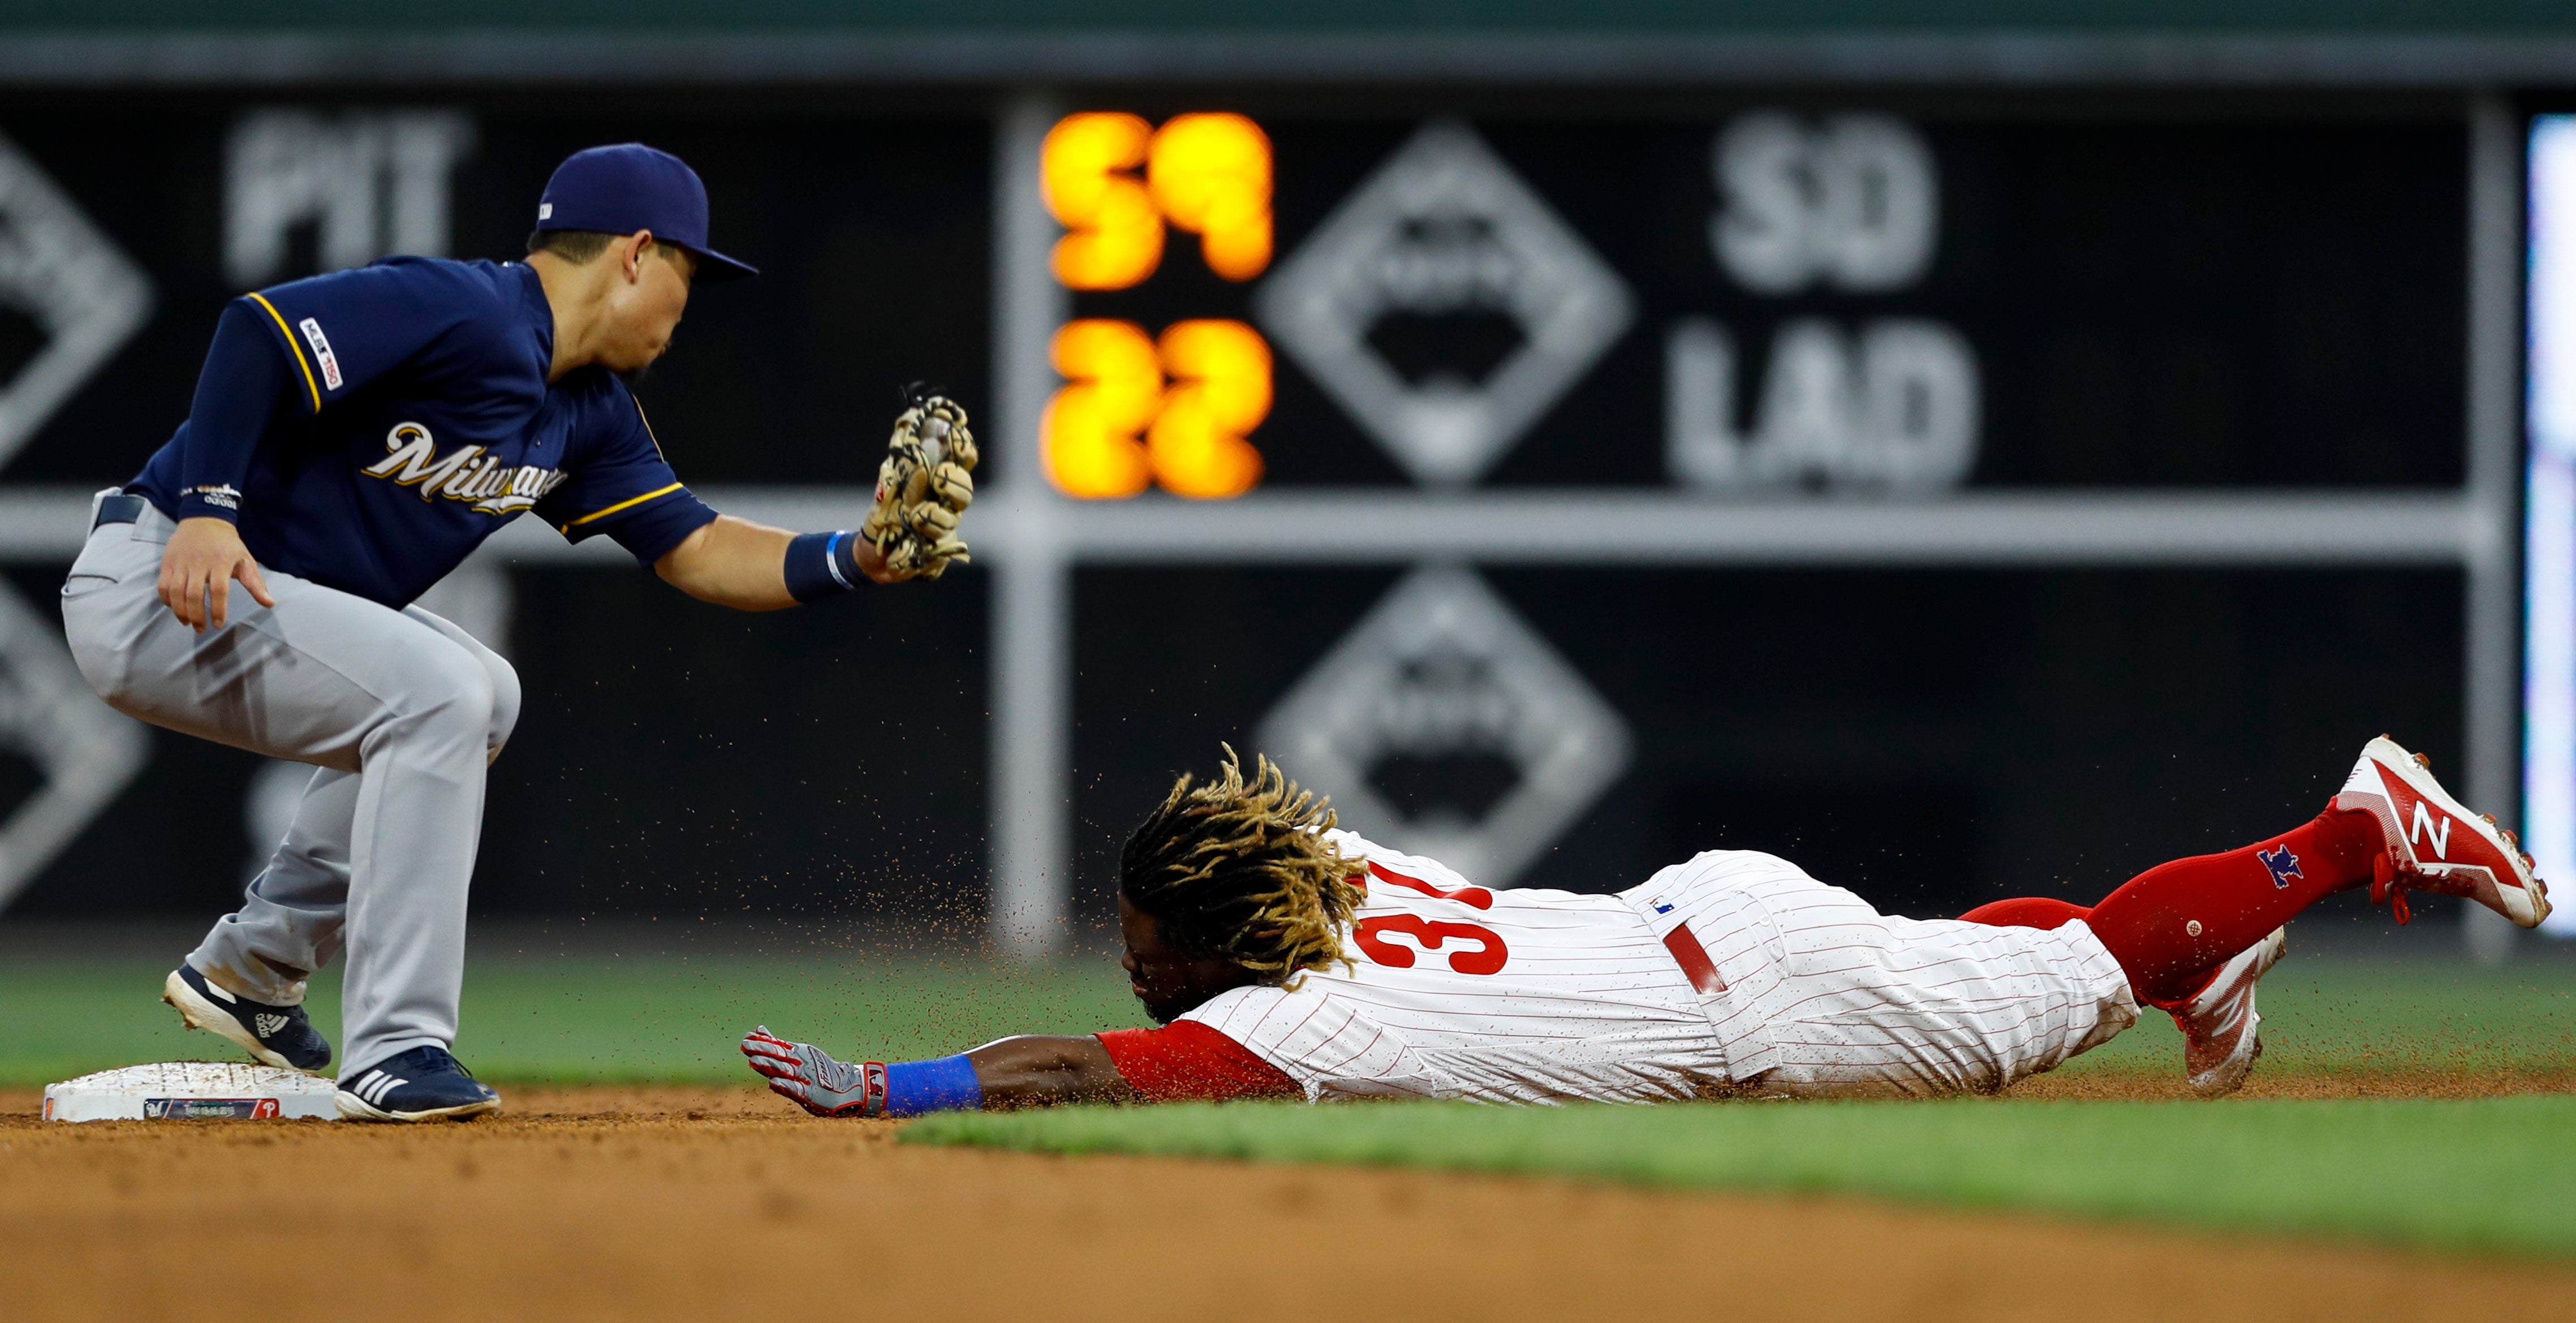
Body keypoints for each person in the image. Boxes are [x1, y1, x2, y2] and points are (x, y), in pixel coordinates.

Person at [62, 144, 966, 1123]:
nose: (684, 305)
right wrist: (208, 507)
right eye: (687, 274)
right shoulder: (464, 308)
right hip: (162, 578)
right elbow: (258, 330)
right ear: (636, 252)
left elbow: (696, 547)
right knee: (435, 694)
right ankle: (396, 1046)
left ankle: (253, 968)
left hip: (263, 600)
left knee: (484, 690)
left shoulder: (589, 414)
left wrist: (858, 560)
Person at [744, 736, 2549, 1114]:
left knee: (2079, 977)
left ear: (1223, 939)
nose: (1130, 957)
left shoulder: (1307, 1023)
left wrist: (890, 1084)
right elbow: (1235, 839)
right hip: (1706, 920)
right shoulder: (1334, 868)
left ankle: (2351, 826)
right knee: (2002, 957)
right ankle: (2209, 948)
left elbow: (1085, 1068)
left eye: (1152, 935)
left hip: (1770, 1005)